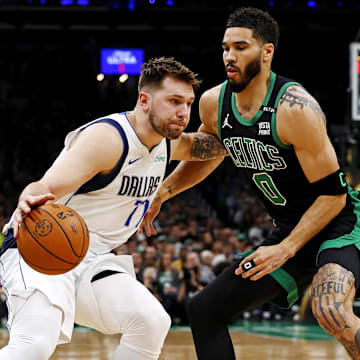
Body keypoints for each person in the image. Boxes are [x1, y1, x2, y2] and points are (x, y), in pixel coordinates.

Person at [139, 8, 360, 360]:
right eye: (226, 47)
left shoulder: (295, 109)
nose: (229, 56)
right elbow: (210, 152)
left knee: (329, 309)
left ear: (267, 51)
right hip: (290, 229)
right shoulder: (213, 103)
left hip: (339, 225)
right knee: (204, 310)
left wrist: (285, 249)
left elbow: (333, 195)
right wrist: (164, 191)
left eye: (241, 47)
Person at [0, 57, 228, 360]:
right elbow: (44, 187)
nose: (183, 113)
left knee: (151, 322)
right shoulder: (107, 139)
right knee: (35, 344)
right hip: (39, 250)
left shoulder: (168, 142)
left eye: (188, 103)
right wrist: (29, 196)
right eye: (174, 101)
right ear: (144, 100)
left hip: (90, 258)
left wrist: (166, 190)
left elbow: (218, 146)